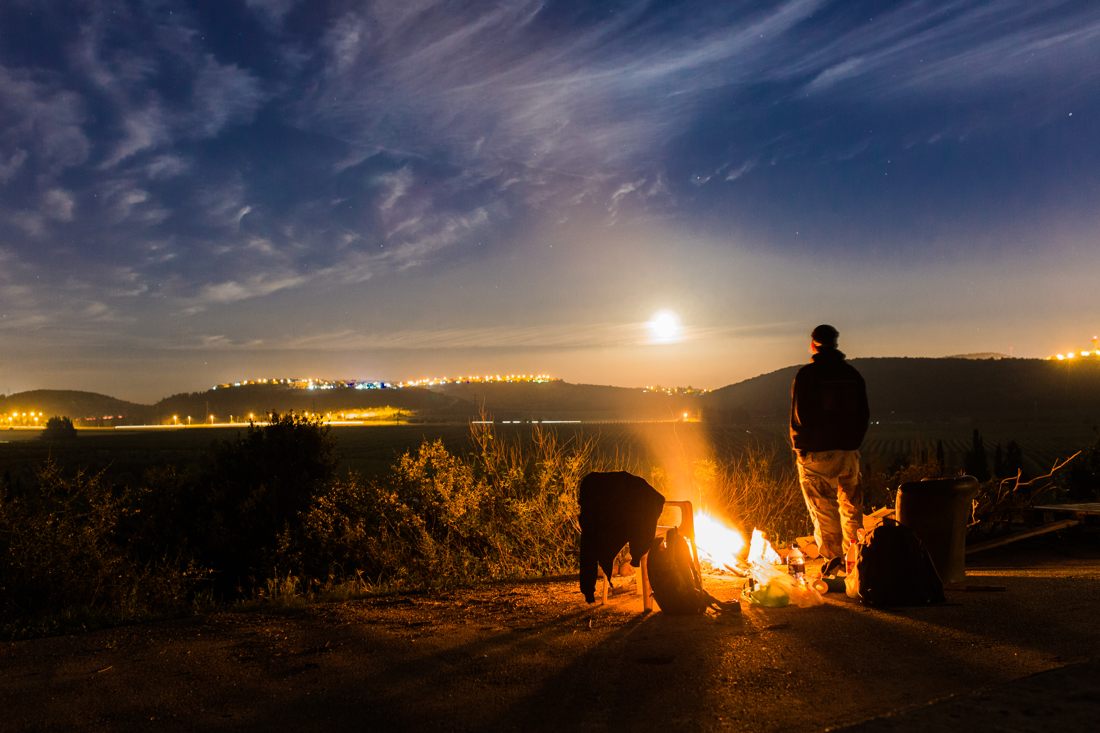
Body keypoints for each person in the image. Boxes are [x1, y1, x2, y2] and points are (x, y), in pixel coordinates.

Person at [790, 324, 870, 576]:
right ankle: (857, 564)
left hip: (817, 454)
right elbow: (863, 414)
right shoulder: (852, 375)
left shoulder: (807, 376)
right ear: (836, 344)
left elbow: (801, 416)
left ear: (813, 345)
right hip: (848, 453)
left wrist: (802, 449)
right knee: (851, 509)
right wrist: (852, 443)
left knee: (824, 510)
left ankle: (833, 566)